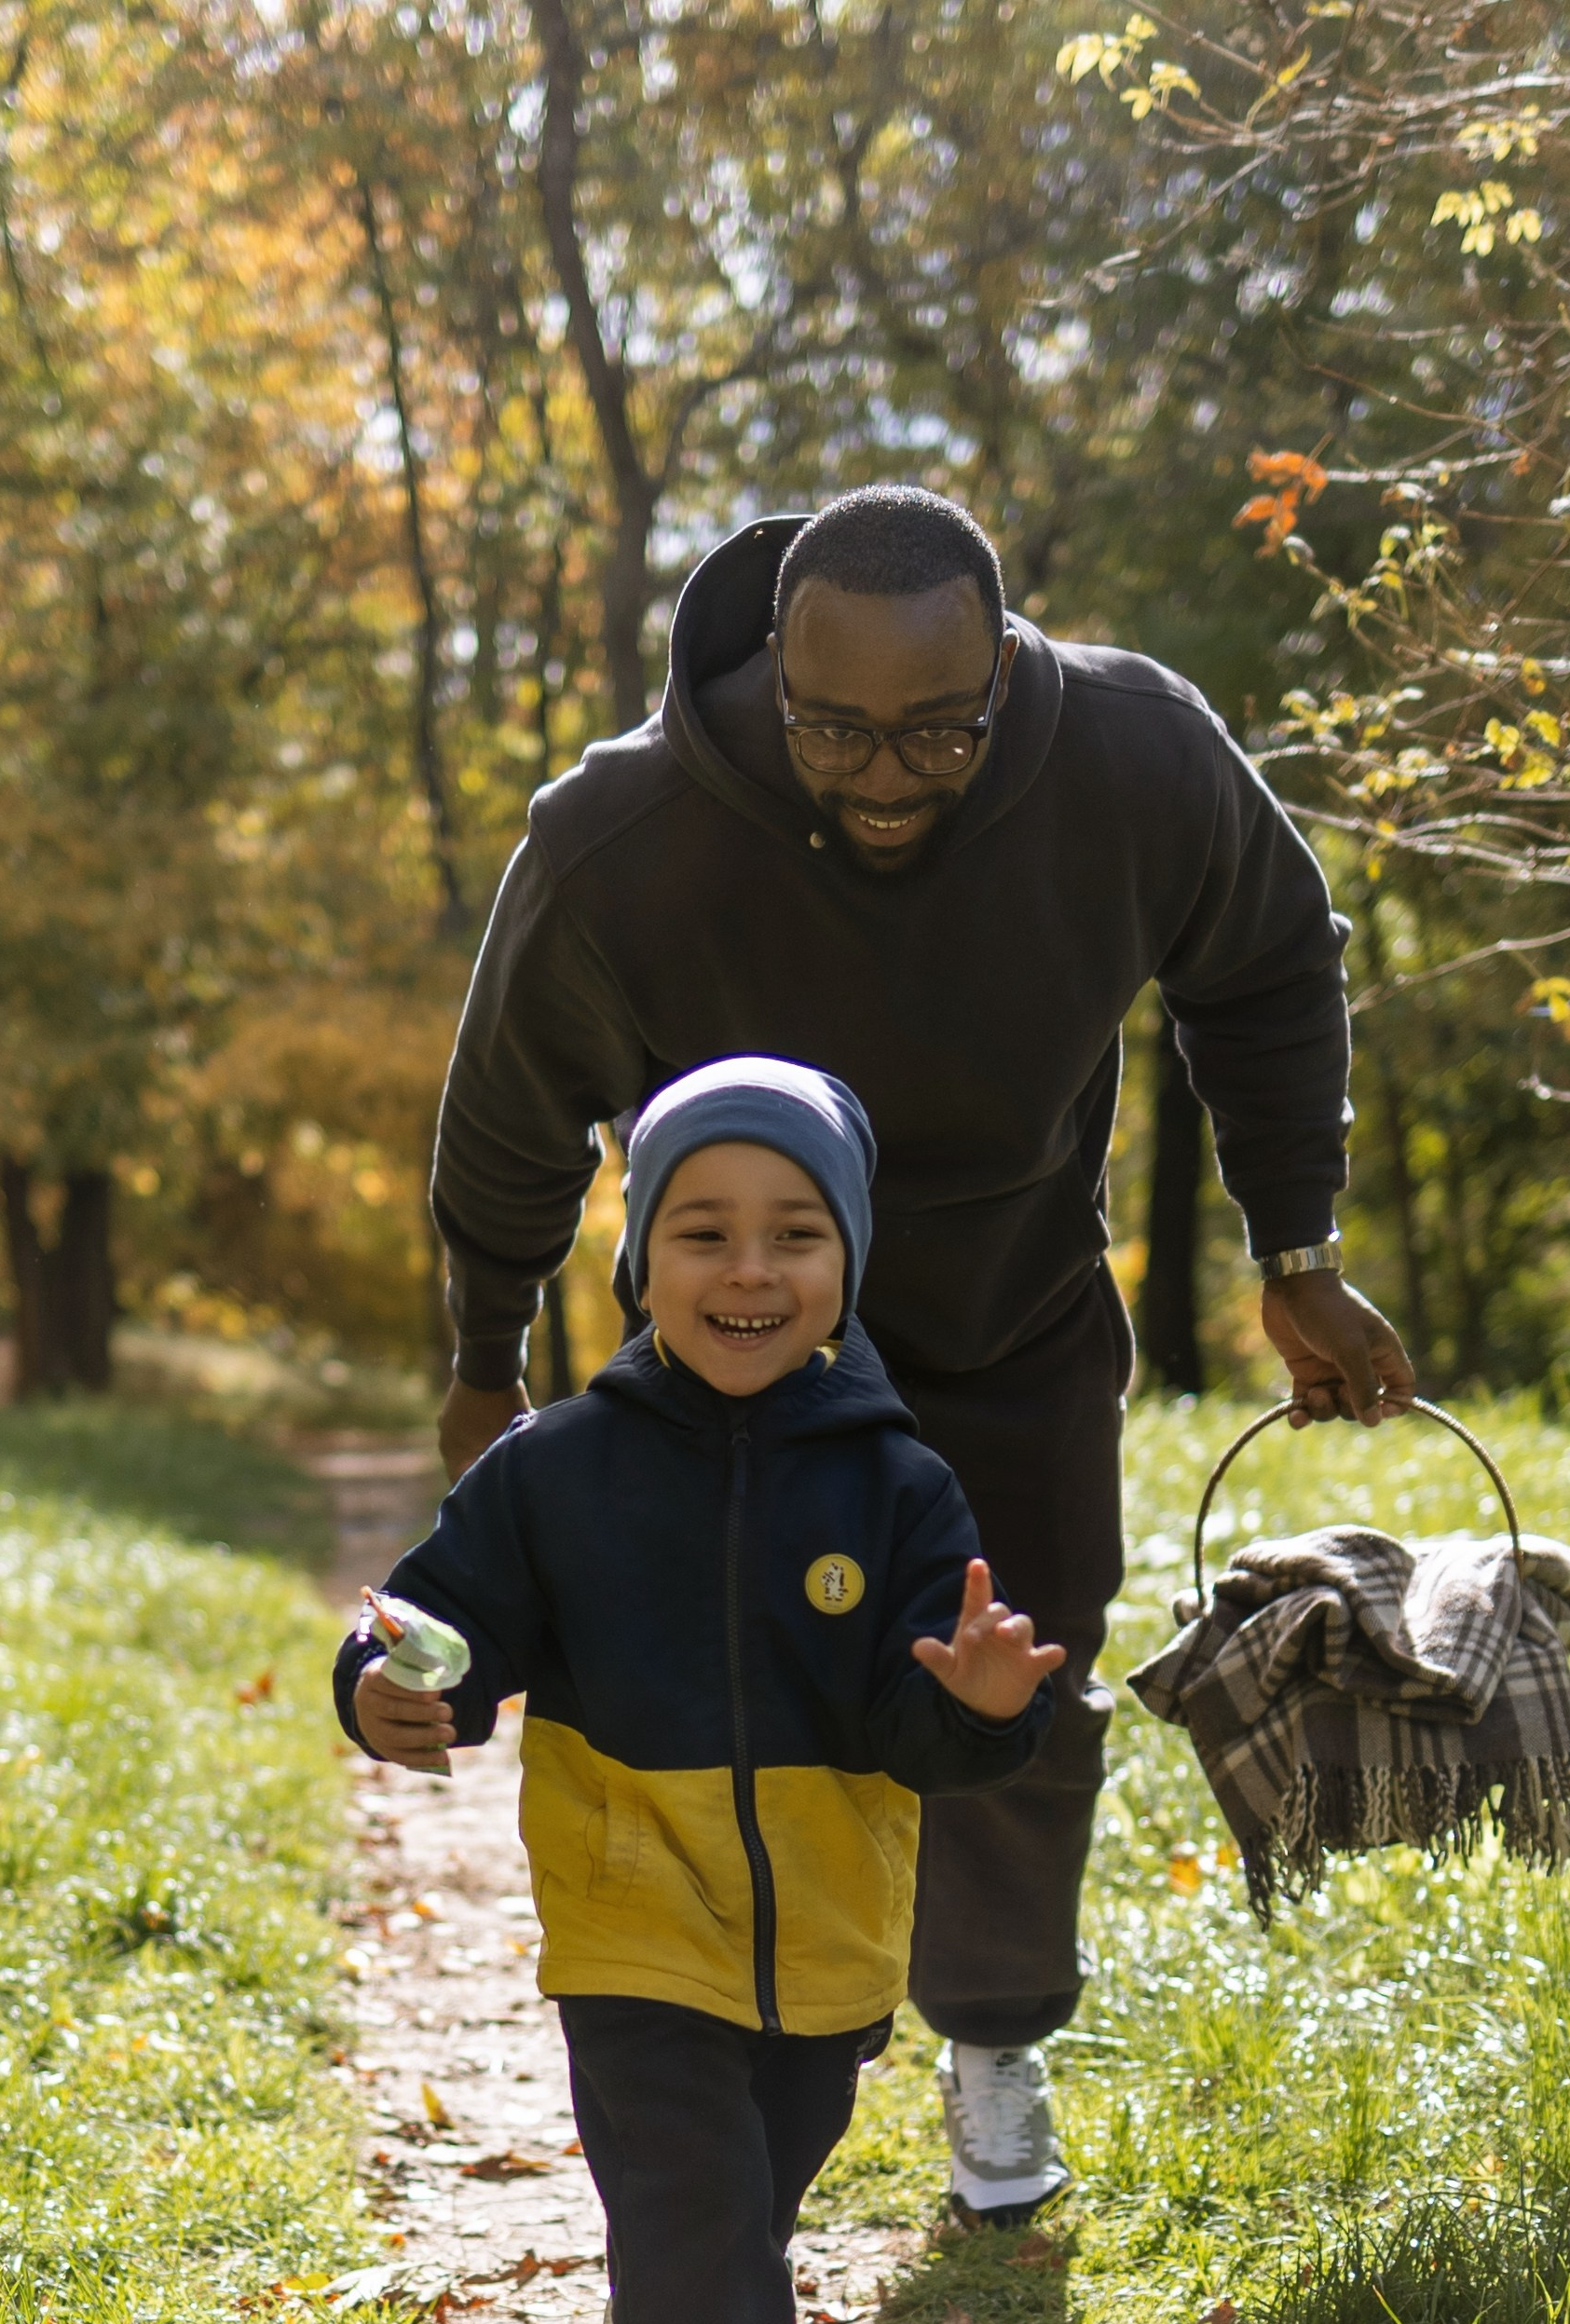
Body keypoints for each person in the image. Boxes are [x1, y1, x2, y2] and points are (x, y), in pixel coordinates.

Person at [428, 485, 1417, 2227]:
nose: (886, 775)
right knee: (717, 1709)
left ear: (1009, 662)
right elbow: (511, 1106)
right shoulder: (627, 834)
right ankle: (716, 2076)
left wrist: (1299, 1252)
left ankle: (991, 2035)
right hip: (729, 1361)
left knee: (1016, 1687)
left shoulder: (1130, 756)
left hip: (1011, 1319)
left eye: (937, 732)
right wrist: (480, 1355)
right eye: (837, 732)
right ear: (776, 677)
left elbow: (1268, 969)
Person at [334, 1059, 1064, 2324]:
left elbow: (912, 1721)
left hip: (824, 1948)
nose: (751, 1271)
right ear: (641, 1262)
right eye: (707, 1233)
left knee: (738, 2213)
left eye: (796, 1234)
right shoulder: (555, 1471)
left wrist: (976, 1714)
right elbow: (431, 1626)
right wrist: (388, 1692)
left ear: (848, 1265)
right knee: (695, 2205)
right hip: (632, 1924)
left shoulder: (898, 1485)